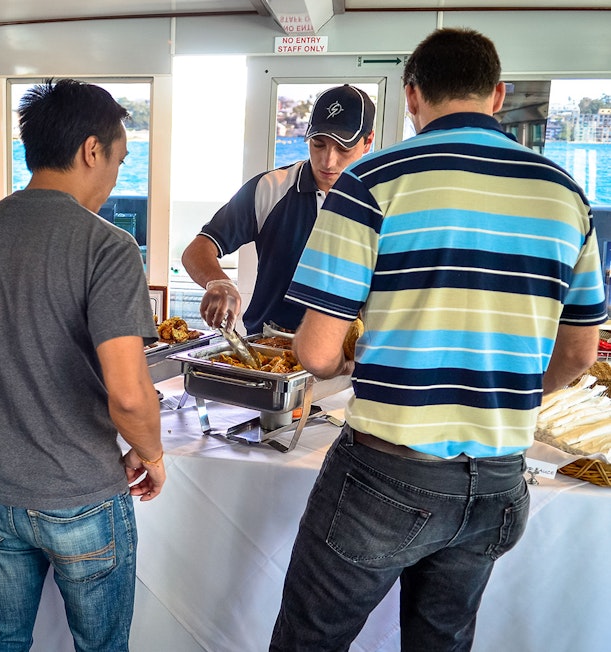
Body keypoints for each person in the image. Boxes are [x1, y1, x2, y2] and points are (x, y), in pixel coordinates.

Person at [272, 28, 605, 651]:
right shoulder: (568, 196)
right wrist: (506, 399)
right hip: (500, 481)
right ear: (498, 95)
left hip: (385, 474)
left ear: (413, 97)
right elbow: (580, 354)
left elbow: (315, 354)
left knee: (307, 643)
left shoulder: (370, 181)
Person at [0, 78, 165, 652]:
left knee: (3, 640)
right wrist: (153, 452)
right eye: (120, 158)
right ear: (93, 150)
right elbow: (131, 393)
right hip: (81, 492)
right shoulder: (108, 246)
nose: (117, 176)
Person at [181, 84, 376, 333]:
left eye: (343, 148)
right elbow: (198, 249)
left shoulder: (381, 202)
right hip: (269, 347)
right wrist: (218, 282)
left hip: (348, 352)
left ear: (367, 141)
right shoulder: (269, 188)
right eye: (318, 144)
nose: (328, 160)